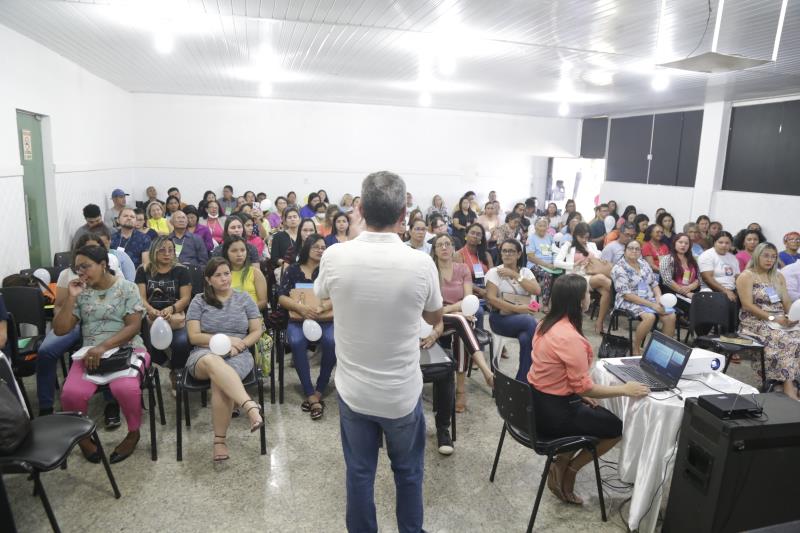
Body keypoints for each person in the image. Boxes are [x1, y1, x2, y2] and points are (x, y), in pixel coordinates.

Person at [313, 171, 443, 533]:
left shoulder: (335, 255)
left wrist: (355, 240)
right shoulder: (421, 263)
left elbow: (321, 294)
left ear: (360, 210)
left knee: (359, 474)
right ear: (403, 214)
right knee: (408, 473)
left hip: (354, 392)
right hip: (401, 394)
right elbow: (434, 317)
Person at [529, 274, 648, 505]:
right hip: (555, 415)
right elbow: (584, 386)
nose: (590, 297)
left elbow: (555, 374)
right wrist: (625, 389)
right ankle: (570, 468)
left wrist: (579, 395)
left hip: (537, 403)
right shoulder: (569, 337)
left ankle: (562, 461)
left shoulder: (545, 324)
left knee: (596, 414)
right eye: (587, 293)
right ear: (578, 301)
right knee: (616, 428)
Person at [53, 245, 150, 464]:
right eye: (77, 268)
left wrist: (103, 347)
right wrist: (71, 298)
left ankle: (133, 433)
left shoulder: (127, 288)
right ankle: (84, 439)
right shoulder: (82, 292)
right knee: (71, 393)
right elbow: (60, 329)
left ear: (103, 265)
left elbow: (133, 326)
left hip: (128, 348)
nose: (81, 273)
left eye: (86, 266)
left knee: (125, 387)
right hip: (91, 352)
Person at [185, 257, 265, 462]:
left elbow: (257, 330)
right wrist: (226, 340)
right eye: (218, 275)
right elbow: (194, 336)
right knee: (213, 363)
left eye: (227, 273)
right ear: (208, 279)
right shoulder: (198, 301)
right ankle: (249, 406)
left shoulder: (244, 299)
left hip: (238, 354)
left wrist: (241, 345)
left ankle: (219, 441)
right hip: (203, 353)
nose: (224, 278)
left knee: (220, 384)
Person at [430, 233, 493, 417]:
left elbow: (468, 299)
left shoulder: (463, 268)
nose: (444, 247)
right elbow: (430, 306)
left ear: (453, 248)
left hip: (457, 317)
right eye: (440, 244)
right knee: (462, 320)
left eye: (447, 244)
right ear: (434, 250)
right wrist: (455, 310)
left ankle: (460, 389)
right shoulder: (431, 271)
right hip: (435, 319)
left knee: (461, 325)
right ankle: (485, 371)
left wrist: (453, 310)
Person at [278, 235, 336, 420]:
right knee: (296, 342)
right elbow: (281, 297)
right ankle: (310, 392)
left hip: (325, 318)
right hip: (298, 318)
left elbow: (339, 295)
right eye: (316, 246)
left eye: (323, 247)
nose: (320, 250)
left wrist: (323, 307)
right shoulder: (293, 270)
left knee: (332, 341)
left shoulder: (329, 271)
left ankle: (320, 388)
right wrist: (301, 309)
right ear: (306, 248)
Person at [737, 243, 800, 400]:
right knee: (785, 339)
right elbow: (747, 305)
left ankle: (793, 381)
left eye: (773, 257)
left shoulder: (778, 276)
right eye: (766, 256)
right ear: (757, 256)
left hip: (779, 318)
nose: (770, 260)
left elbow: (786, 301)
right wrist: (773, 318)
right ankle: (788, 386)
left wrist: (791, 316)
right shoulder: (747, 276)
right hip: (755, 320)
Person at [135, 236, 192, 389]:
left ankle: (176, 371)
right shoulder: (143, 270)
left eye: (170, 250)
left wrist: (171, 309)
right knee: (145, 344)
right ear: (154, 251)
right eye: (162, 250)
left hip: (174, 316)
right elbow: (140, 298)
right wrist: (150, 310)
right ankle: (165, 362)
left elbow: (185, 298)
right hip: (151, 317)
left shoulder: (181, 270)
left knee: (182, 342)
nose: (167, 254)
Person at [486, 239, 541, 381]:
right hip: (500, 319)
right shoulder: (494, 272)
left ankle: (521, 381)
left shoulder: (525, 272)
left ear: (519, 254)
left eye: (511, 251)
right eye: (504, 251)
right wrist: (517, 309)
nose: (507, 254)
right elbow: (491, 299)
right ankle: (530, 379)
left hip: (522, 322)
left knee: (525, 338)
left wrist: (514, 275)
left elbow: (536, 290)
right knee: (531, 322)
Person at [611, 240, 677, 354]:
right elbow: (627, 295)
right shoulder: (618, 268)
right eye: (631, 248)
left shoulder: (644, 264)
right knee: (649, 317)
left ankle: (663, 350)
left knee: (670, 315)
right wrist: (652, 305)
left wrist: (659, 297)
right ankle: (635, 347)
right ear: (625, 251)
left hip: (648, 298)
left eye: (637, 249)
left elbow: (654, 283)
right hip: (628, 300)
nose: (634, 251)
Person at [555, 222, 612, 334]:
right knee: (602, 279)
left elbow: (598, 258)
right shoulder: (568, 245)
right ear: (576, 235)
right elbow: (557, 262)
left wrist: (602, 260)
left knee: (606, 292)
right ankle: (623, 296)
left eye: (587, 237)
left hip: (591, 275)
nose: (585, 240)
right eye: (582, 237)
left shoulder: (591, 245)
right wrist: (573, 265)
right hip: (576, 276)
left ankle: (599, 322)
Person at [698, 231, 740, 330]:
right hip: (711, 290)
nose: (724, 245)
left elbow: (738, 278)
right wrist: (726, 291)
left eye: (727, 243)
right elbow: (707, 278)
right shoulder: (707, 255)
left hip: (731, 290)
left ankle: (732, 333)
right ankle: (726, 333)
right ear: (714, 243)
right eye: (720, 242)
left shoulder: (732, 258)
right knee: (729, 303)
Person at [223, 236, 268, 310]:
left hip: (252, 315)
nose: (239, 254)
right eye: (234, 251)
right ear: (226, 253)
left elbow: (263, 302)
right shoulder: (222, 274)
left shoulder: (255, 273)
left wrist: (243, 311)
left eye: (243, 250)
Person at [659, 233, 701, 307]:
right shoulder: (667, 259)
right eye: (680, 242)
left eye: (686, 243)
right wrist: (686, 293)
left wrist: (689, 287)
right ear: (674, 243)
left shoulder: (693, 260)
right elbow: (667, 280)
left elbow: (699, 278)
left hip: (692, 291)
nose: (683, 245)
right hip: (673, 293)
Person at [526, 218, 558, 313]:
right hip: (535, 264)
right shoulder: (531, 238)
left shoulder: (549, 237)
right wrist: (546, 265)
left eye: (544, 226)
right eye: (540, 225)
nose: (542, 228)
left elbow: (554, 251)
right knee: (548, 275)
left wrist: (554, 262)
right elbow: (530, 257)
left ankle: (557, 304)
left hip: (549, 265)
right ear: (535, 227)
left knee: (561, 276)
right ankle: (545, 304)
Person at [457, 222, 494, 301]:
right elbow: (459, 279)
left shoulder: (486, 255)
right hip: (467, 293)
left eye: (478, 234)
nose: (475, 236)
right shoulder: (458, 255)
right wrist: (479, 290)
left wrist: (488, 291)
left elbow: (493, 277)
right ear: (466, 235)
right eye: (472, 233)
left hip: (486, 292)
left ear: (481, 238)